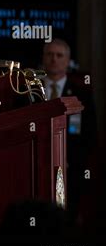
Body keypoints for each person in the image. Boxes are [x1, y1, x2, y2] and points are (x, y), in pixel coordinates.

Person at [42, 39, 97, 222]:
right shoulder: (27, 90)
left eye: (59, 55)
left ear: (67, 61)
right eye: (50, 55)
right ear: (43, 58)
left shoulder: (82, 94)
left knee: (67, 220)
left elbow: (90, 135)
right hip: (37, 165)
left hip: (71, 169)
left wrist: (73, 162)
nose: (54, 59)